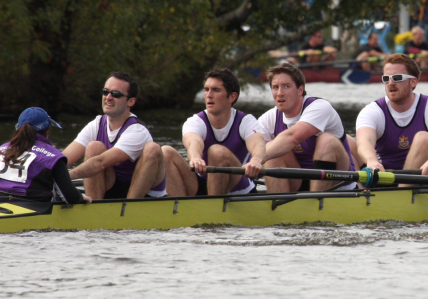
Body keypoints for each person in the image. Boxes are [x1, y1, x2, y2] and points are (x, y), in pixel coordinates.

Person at [162, 69, 266, 197]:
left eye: (216, 90)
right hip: (203, 185)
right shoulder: (195, 121)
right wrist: (195, 157)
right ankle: (179, 211)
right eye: (206, 89)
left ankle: (213, 210)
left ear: (232, 97)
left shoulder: (246, 121)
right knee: (165, 152)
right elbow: (193, 141)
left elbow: (258, 144)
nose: (208, 95)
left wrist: (255, 161)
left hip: (238, 186)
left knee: (217, 151)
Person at [64, 72, 167, 200]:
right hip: (113, 188)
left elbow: (100, 163)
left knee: (152, 148)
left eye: (116, 94)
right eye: (105, 91)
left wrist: (64, 176)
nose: (108, 97)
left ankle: (130, 210)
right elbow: (64, 158)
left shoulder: (137, 131)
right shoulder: (97, 124)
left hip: (142, 194)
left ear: (130, 101)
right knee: (94, 146)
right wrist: (42, 172)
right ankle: (94, 208)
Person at [256, 63, 358, 192]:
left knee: (326, 140)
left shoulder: (320, 107)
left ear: (300, 90)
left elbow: (292, 137)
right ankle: (277, 206)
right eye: (275, 87)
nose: (279, 93)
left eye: (286, 86)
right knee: (269, 149)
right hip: (299, 181)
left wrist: (256, 159)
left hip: (337, 182)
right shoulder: (269, 118)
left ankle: (316, 202)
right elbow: (251, 150)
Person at [355, 54, 428, 175]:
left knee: (424, 139)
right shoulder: (373, 110)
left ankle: (404, 189)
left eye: (397, 78)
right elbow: (364, 142)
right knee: (345, 141)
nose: (390, 83)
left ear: (413, 82)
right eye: (386, 79)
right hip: (385, 178)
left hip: (424, 180)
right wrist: (371, 161)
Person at [0, 107, 91, 204]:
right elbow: (70, 197)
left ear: (18, 128)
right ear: (47, 130)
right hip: (32, 210)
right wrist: (82, 198)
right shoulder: (53, 157)